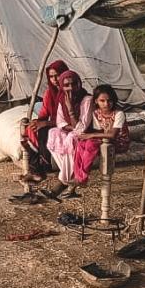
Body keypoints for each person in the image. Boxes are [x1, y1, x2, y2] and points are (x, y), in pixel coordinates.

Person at [44, 70, 93, 199]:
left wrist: (71, 109)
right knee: (53, 133)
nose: (71, 88)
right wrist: (71, 127)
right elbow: (60, 122)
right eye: (66, 85)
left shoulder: (87, 100)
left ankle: (62, 182)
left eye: (74, 84)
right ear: (61, 86)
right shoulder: (62, 99)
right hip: (72, 129)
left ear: (79, 84)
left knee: (72, 138)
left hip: (86, 133)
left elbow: (82, 127)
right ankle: (68, 178)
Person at [21, 60, 69, 182]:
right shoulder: (49, 92)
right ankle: (35, 168)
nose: (55, 79)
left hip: (67, 125)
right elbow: (44, 113)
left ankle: (44, 166)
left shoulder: (69, 91)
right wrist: (36, 122)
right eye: (51, 76)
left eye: (57, 75)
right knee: (30, 130)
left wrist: (45, 123)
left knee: (44, 131)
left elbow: (67, 119)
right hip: (53, 123)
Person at [73, 84, 129, 185]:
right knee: (81, 143)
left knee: (91, 143)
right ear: (96, 101)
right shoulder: (96, 113)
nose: (106, 104)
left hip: (119, 142)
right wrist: (88, 137)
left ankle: (83, 176)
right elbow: (99, 131)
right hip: (104, 139)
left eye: (109, 100)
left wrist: (90, 136)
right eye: (102, 101)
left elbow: (112, 135)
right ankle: (78, 175)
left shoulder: (118, 113)